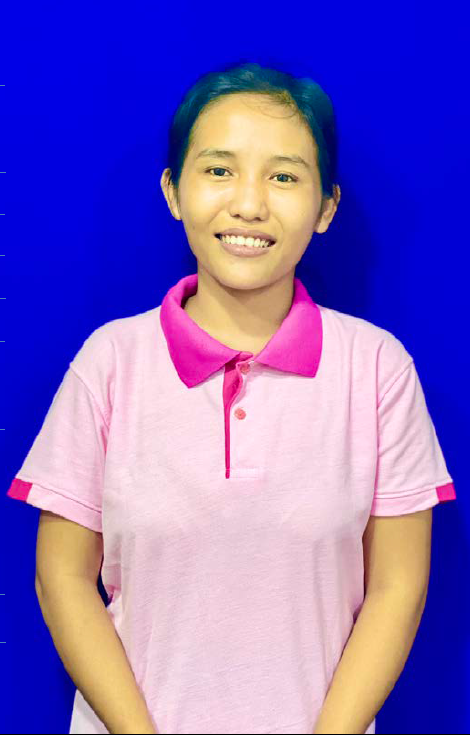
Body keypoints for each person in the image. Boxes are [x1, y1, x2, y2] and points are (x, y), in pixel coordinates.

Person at [7, 61, 457, 735]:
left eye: (284, 177)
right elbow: (62, 577)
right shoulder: (110, 362)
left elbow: (399, 586)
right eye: (219, 170)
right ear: (173, 190)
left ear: (326, 206)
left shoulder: (377, 369)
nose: (249, 204)